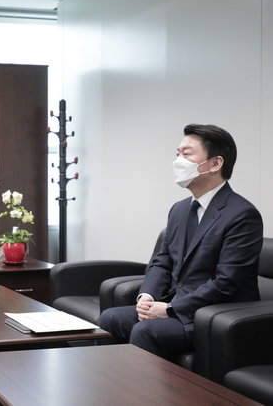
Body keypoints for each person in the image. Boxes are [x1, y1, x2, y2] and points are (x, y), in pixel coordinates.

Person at [98, 124, 263, 359]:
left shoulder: (242, 214)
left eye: (187, 154)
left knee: (146, 331)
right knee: (110, 318)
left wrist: (171, 309)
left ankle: (143, 396)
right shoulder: (180, 209)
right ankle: (111, 390)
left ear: (215, 164)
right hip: (174, 305)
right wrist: (147, 296)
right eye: (177, 154)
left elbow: (227, 282)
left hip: (213, 313)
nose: (178, 161)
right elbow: (162, 261)